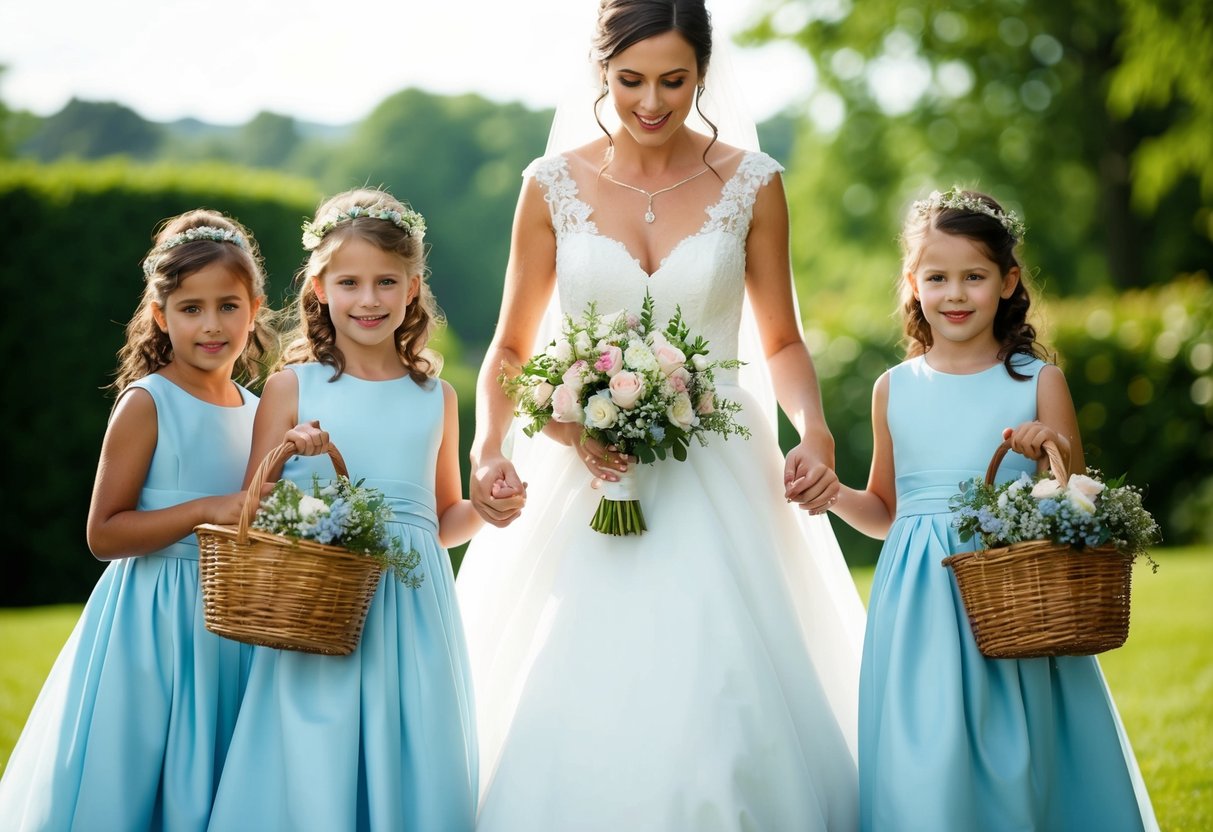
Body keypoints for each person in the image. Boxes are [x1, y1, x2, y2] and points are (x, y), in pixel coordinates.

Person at [456, 1, 865, 828]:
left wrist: (811, 429)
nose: (651, 102)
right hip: (579, 467)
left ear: (703, 74)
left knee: (721, 681)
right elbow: (509, 348)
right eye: (630, 80)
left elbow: (780, 340)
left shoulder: (754, 181)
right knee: (567, 678)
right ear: (599, 74)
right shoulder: (549, 186)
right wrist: (494, 442)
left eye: (673, 81)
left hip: (717, 467)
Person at [829, 187, 1158, 831]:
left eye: (974, 277)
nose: (955, 293)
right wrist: (834, 496)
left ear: (1007, 282)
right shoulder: (892, 388)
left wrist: (1051, 447)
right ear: (913, 284)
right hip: (918, 603)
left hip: (1011, 598)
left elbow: (1074, 501)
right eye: (938, 277)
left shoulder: (1037, 380)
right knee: (925, 752)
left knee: (1021, 748)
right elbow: (887, 510)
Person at [206, 188, 479, 831]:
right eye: (350, 282)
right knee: (314, 747)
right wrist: (293, 459)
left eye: (387, 282)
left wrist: (486, 512)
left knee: (410, 742)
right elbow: (256, 508)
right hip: (320, 605)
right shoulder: (290, 387)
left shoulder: (435, 396)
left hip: (413, 609)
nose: (369, 299)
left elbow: (442, 524)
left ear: (412, 288)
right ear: (321, 288)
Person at [0, 210, 273, 830]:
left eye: (228, 306)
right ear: (160, 315)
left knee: (214, 777)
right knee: (139, 775)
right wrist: (204, 510)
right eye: (190, 308)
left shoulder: (260, 410)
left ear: (255, 307)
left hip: (231, 618)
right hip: (153, 619)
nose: (211, 325)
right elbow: (104, 533)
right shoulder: (149, 401)